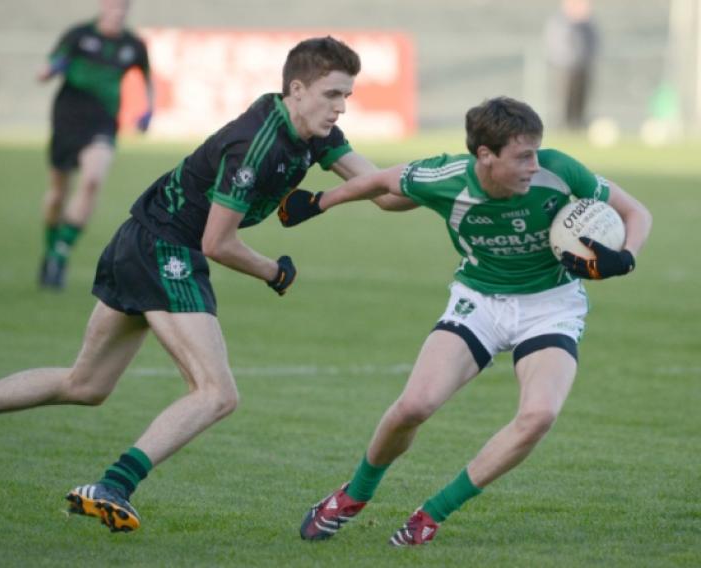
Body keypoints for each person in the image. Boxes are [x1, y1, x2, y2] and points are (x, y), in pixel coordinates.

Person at [0, 36, 378, 533]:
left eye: (347, 96)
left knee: (85, 384)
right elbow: (217, 243)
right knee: (216, 393)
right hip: (166, 249)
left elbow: (382, 186)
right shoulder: (255, 144)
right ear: (297, 90)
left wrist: (423, 182)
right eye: (332, 95)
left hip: (141, 238)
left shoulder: (314, 133)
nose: (341, 107)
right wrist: (273, 271)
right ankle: (113, 485)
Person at [279, 97, 652, 546]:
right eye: (523, 157)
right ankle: (354, 494)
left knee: (539, 415)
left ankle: (432, 514)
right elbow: (380, 181)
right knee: (414, 406)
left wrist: (625, 258)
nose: (535, 165)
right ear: (486, 155)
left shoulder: (559, 169)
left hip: (550, 306)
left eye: (536, 152)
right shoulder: (447, 177)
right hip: (480, 301)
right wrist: (320, 202)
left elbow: (637, 212)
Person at [37, 0, 154, 290]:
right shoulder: (78, 35)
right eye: (113, 6)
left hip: (103, 123)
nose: (117, 12)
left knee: (92, 181)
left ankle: (61, 251)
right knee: (57, 194)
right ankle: (50, 247)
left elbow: (147, 79)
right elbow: (46, 69)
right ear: (103, 6)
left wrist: (148, 110)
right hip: (67, 120)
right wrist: (51, 69)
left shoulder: (133, 45)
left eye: (122, 8)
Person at [544, 0, 599, 130]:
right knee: (565, 97)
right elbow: (558, 44)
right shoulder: (560, 22)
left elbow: (594, 42)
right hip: (565, 66)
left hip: (583, 65)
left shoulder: (588, 25)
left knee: (581, 97)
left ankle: (578, 124)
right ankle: (563, 125)